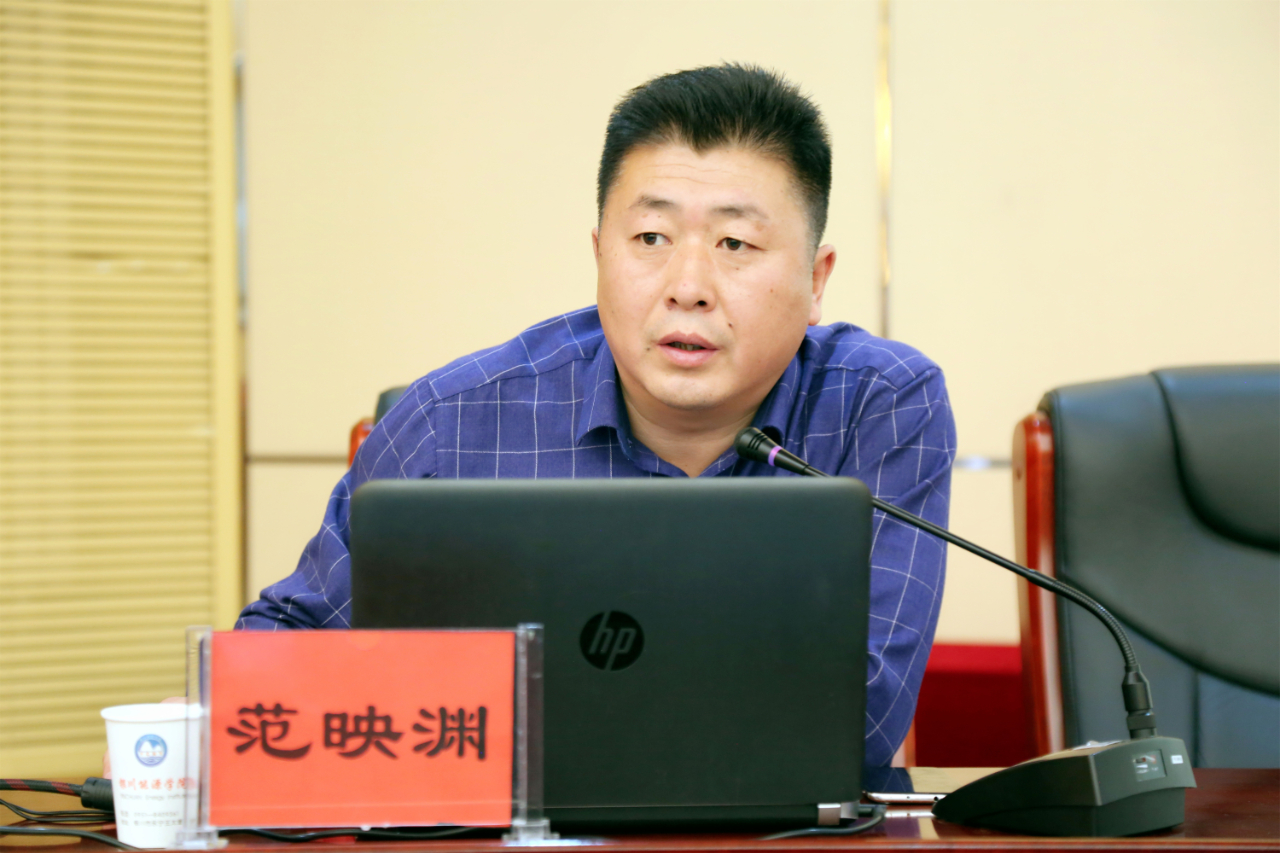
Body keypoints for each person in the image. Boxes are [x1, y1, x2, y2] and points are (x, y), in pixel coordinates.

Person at [239, 64, 956, 767]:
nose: (688, 286)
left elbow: (859, 719)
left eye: (735, 244)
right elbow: (279, 659)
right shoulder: (450, 424)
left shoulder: (879, 407)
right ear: (599, 254)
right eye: (651, 238)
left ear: (816, 281)